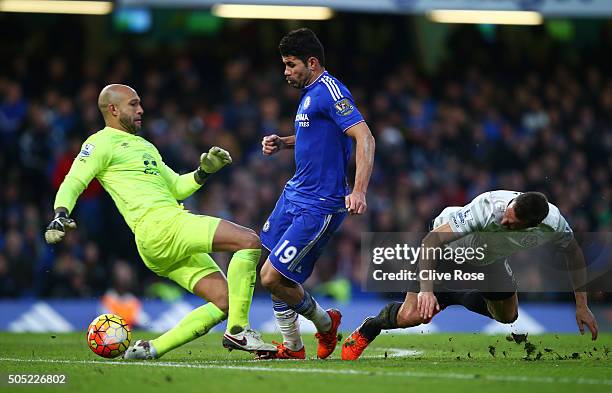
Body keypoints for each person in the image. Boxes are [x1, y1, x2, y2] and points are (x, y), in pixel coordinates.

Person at [45, 84, 276, 359]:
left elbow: (177, 187)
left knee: (225, 300)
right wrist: (60, 213)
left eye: (140, 103)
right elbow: (74, 180)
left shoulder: (145, 146)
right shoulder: (100, 142)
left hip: (157, 239)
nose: (141, 109)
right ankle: (239, 330)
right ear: (114, 109)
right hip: (161, 226)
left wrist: (203, 172)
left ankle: (151, 349)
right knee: (248, 241)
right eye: (133, 104)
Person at [342, 190, 600, 360]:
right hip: (447, 251)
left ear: (532, 227)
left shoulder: (553, 224)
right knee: (412, 316)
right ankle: (371, 326)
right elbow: (431, 241)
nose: (503, 223)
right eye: (506, 216)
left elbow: (575, 254)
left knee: (508, 316)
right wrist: (427, 290)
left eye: (511, 225)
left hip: (489, 260)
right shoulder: (487, 208)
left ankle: (455, 296)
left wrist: (582, 306)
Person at [259, 28, 375, 359]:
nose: (286, 72)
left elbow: (364, 138)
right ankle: (293, 346)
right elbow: (315, 136)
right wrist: (284, 142)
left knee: (271, 276)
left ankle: (325, 324)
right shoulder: (310, 92)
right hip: (294, 194)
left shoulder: (330, 91)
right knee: (270, 268)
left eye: (290, 64)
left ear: (312, 62)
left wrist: (359, 190)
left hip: (319, 204)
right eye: (284, 65)